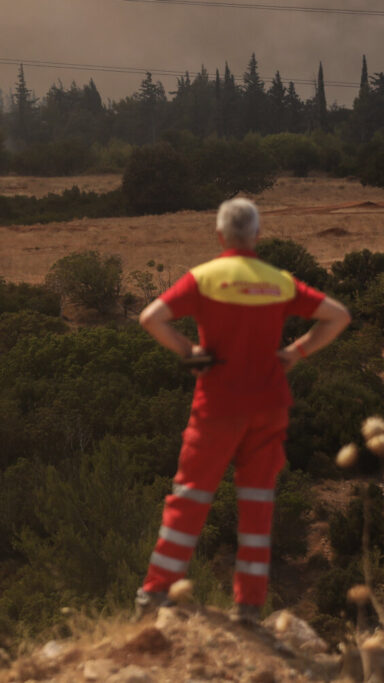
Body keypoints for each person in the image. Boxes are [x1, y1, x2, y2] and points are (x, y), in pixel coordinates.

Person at [135, 197, 351, 624]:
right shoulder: (279, 281)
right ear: (258, 235)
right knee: (258, 502)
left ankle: (156, 593)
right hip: (269, 405)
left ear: (219, 236)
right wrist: (296, 352)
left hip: (215, 404)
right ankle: (249, 606)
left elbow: (150, 317)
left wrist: (188, 350)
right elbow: (338, 315)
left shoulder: (204, 278)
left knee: (190, 497)